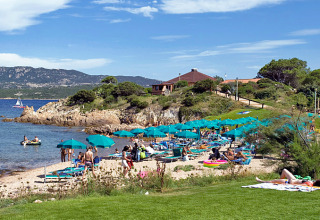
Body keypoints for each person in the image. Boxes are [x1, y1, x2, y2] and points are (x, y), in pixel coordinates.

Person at [256, 169, 320, 186]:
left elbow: (298, 185)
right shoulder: (311, 182)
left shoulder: (309, 184)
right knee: (284, 170)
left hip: (290, 181)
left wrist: (288, 184)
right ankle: (279, 182)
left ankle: (261, 181)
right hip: (294, 179)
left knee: (273, 181)